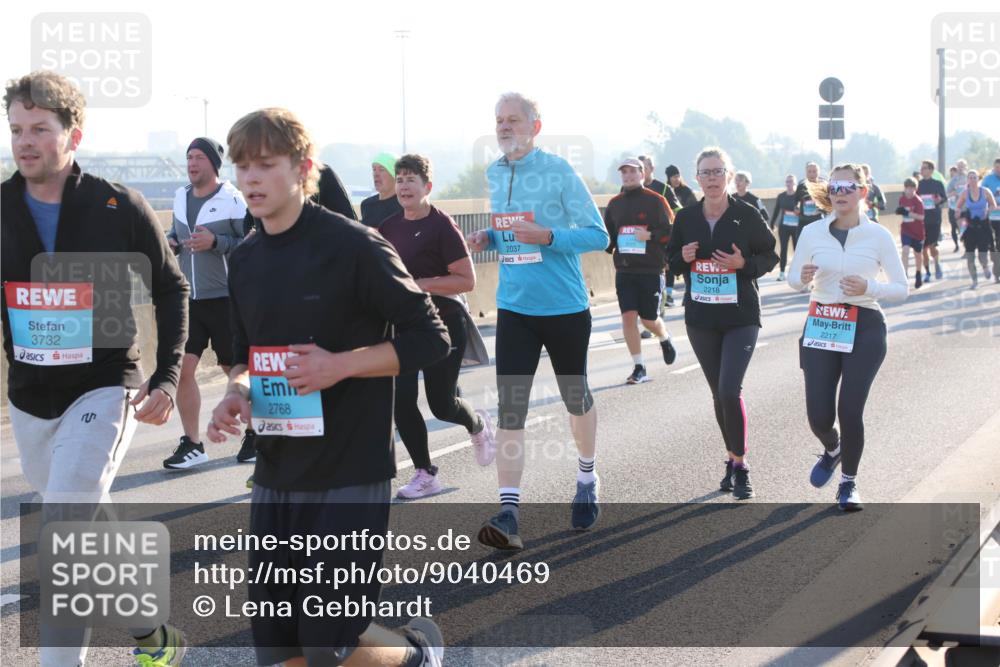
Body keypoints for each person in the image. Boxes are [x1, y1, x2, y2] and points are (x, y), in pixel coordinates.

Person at [207, 107, 448, 667]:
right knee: (278, 649)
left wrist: (338, 365)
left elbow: (429, 337)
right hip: (277, 468)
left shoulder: (355, 246)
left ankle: (416, 654)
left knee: (327, 644)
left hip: (349, 469)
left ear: (303, 167)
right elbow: (247, 358)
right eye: (242, 166)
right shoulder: (244, 260)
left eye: (265, 164)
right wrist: (237, 394)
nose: (251, 178)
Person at [2, 71, 189, 666]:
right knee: (86, 519)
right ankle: (154, 635)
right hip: (31, 397)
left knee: (64, 525)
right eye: (16, 130)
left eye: (39, 129)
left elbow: (171, 287)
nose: (25, 142)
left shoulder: (117, 205)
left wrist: (164, 378)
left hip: (105, 387)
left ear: (73, 135)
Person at [466, 92, 609, 549]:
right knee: (511, 407)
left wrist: (547, 235)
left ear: (535, 126)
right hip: (514, 307)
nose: (504, 127)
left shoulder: (560, 171)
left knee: (575, 397)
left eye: (513, 120)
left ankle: (586, 478)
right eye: (499, 121)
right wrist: (489, 235)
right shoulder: (495, 171)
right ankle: (509, 512)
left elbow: (598, 235)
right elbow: (509, 229)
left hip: (564, 307)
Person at [787, 164, 908, 512]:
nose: (840, 192)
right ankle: (833, 448)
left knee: (850, 409)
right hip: (823, 321)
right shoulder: (812, 232)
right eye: (835, 186)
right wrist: (803, 277)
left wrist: (869, 286)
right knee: (819, 417)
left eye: (848, 187)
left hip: (865, 324)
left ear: (863, 192)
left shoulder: (879, 236)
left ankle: (849, 483)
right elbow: (794, 279)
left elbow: (901, 289)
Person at [378, 153, 496, 499]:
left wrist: (419, 284)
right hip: (403, 327)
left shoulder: (442, 225)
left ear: (427, 186)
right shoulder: (388, 228)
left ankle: (477, 424)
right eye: (399, 179)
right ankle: (425, 474)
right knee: (402, 401)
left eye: (411, 179)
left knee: (442, 403)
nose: (403, 185)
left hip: (443, 323)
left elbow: (466, 280)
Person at [665, 147, 778, 500]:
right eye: (705, 172)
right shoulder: (685, 218)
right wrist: (681, 259)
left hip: (740, 316)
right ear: (696, 178)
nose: (712, 178)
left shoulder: (747, 214)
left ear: (728, 175)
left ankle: (741, 466)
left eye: (718, 171)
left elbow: (770, 254)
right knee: (718, 394)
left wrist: (744, 263)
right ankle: (731, 457)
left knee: (730, 390)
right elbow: (671, 260)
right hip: (701, 318)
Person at [163, 137, 251, 471]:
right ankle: (193, 444)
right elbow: (175, 231)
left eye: (199, 157)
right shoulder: (180, 196)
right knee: (183, 369)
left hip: (227, 300)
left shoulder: (232, 200)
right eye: (188, 157)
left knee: (234, 371)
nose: (192, 163)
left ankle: (255, 433)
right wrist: (172, 242)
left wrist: (217, 242)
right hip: (191, 299)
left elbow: (249, 243)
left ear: (214, 163)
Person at [604, 157, 677, 384]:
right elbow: (608, 238)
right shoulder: (614, 204)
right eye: (624, 173)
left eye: (633, 172)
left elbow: (672, 231)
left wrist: (650, 236)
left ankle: (664, 337)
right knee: (627, 317)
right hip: (625, 270)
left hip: (651, 269)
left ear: (642, 174)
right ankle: (639, 366)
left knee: (648, 319)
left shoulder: (656, 200)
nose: (628, 176)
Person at [638, 155, 681, 311]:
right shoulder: (629, 189)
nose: (641, 172)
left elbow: (678, 211)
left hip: (659, 240)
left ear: (652, 169)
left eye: (645, 168)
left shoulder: (664, 189)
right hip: (637, 242)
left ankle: (657, 316)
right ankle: (648, 318)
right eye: (639, 169)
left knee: (657, 278)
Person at [955, 169, 998, 288]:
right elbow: (957, 207)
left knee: (982, 256)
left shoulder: (985, 192)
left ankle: (985, 267)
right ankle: (974, 281)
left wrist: (987, 210)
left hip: (983, 226)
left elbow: (993, 206)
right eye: (970, 177)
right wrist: (958, 213)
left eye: (974, 177)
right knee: (970, 256)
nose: (972, 180)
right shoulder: (965, 193)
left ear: (978, 179)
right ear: (967, 180)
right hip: (970, 227)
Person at [917, 160, 948, 282]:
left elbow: (944, 198)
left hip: (934, 218)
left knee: (932, 246)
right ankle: (928, 272)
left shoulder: (937, 183)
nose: (922, 170)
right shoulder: (918, 185)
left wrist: (938, 200)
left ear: (931, 170)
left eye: (924, 168)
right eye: (921, 168)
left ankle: (937, 263)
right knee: (923, 248)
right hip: (921, 219)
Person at [895, 177, 926, 289]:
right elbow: (900, 210)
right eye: (907, 188)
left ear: (915, 189)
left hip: (917, 231)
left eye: (912, 188)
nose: (909, 191)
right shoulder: (902, 199)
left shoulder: (918, 201)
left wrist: (908, 213)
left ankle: (918, 274)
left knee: (918, 254)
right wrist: (899, 211)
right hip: (906, 230)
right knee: (905, 250)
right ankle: (905, 276)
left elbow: (922, 217)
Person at [359, 152, 402, 227]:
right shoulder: (366, 205)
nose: (376, 174)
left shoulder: (404, 206)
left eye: (381, 169)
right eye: (374, 169)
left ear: (395, 175)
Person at [770, 174, 800, 280]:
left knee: (798, 249)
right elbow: (776, 210)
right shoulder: (781, 196)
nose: (789, 184)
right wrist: (772, 223)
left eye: (791, 181)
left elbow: (805, 211)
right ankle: (782, 273)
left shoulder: (799, 196)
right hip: (784, 227)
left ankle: (797, 272)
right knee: (783, 249)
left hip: (796, 227)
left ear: (795, 183)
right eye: (787, 182)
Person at [981, 158, 1000, 279]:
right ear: (993, 168)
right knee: (993, 245)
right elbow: (982, 196)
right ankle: (996, 265)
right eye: (997, 167)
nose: (999, 170)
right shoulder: (988, 180)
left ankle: (997, 270)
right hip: (992, 217)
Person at [795, 161, 825, 234]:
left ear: (818, 172)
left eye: (814, 171)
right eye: (809, 171)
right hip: (804, 221)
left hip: (818, 220)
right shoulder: (801, 186)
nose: (812, 174)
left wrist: (822, 210)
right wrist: (796, 208)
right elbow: (795, 200)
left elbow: (829, 203)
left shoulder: (824, 185)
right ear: (806, 173)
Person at [947, 159, 970, 252]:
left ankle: (970, 246)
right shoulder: (953, 180)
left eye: (962, 166)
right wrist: (955, 193)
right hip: (959, 209)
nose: (960, 168)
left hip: (970, 208)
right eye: (959, 166)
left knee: (970, 229)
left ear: (966, 167)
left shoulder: (970, 177)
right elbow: (947, 193)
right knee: (963, 228)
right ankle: (967, 249)